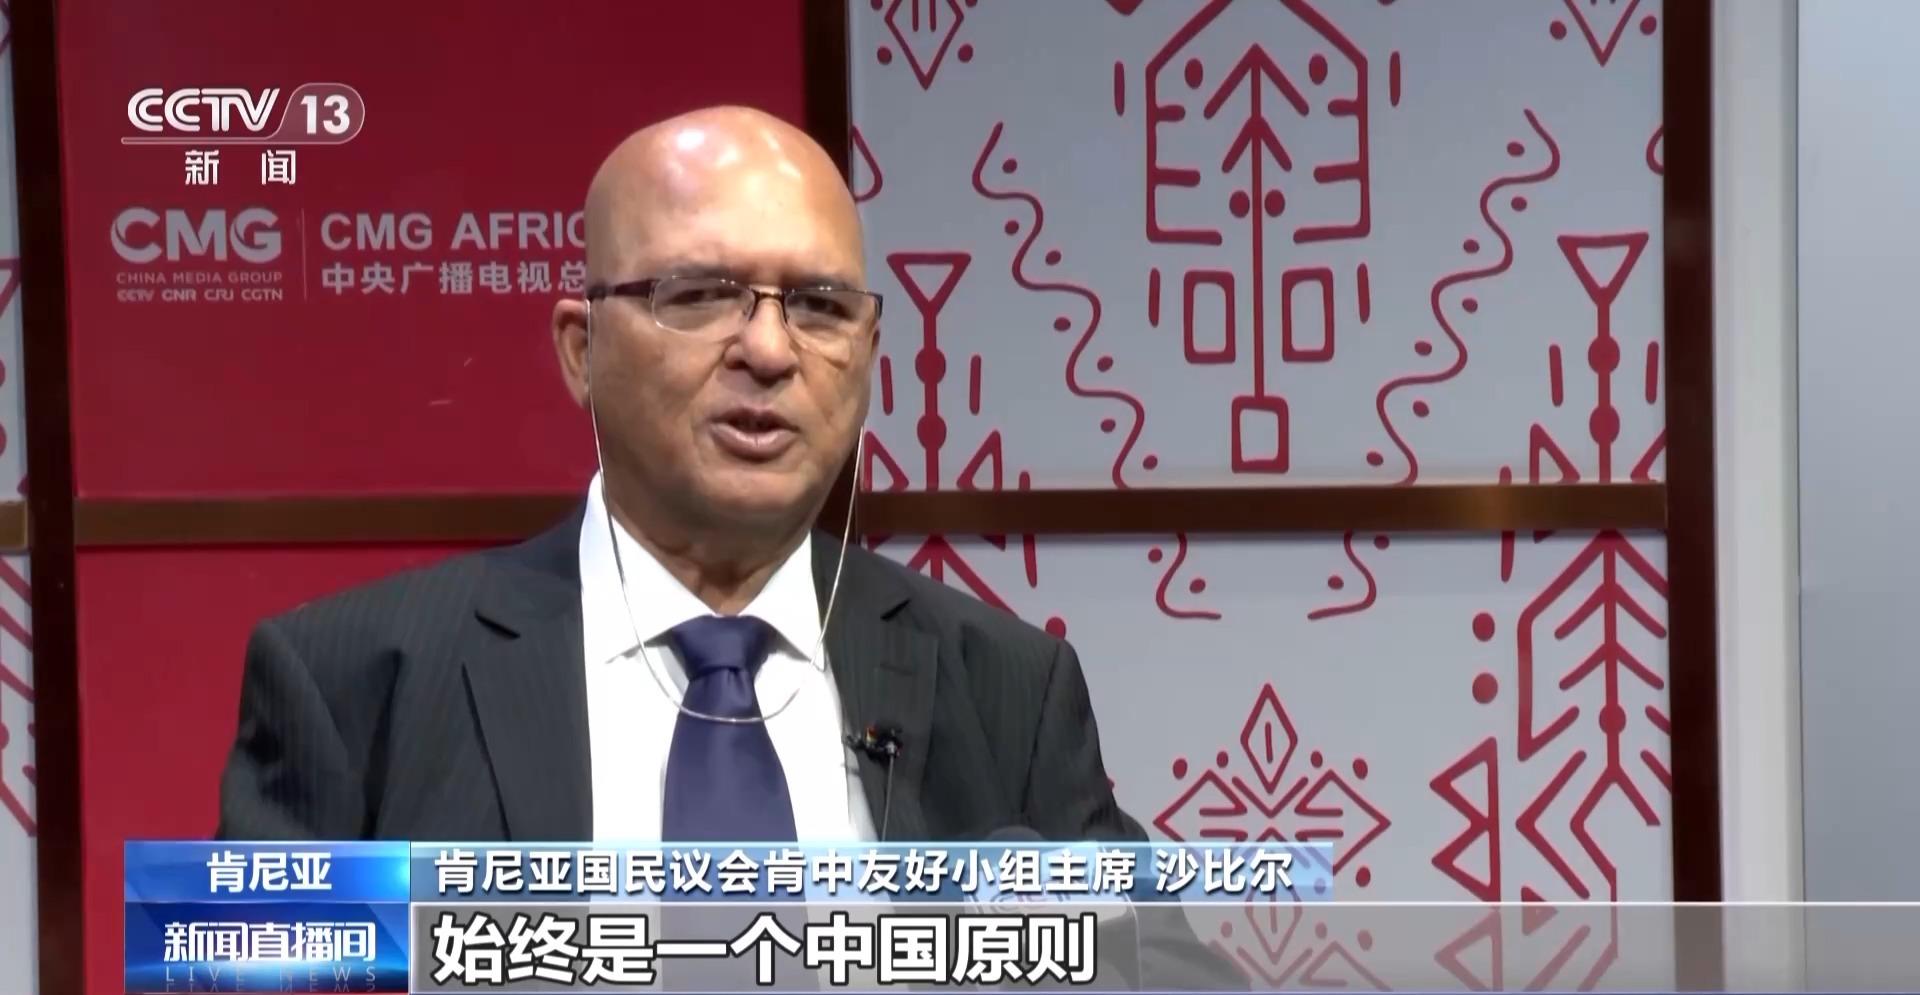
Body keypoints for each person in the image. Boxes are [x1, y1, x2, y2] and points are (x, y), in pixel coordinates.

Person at [216, 105, 1244, 989]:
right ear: (582, 349)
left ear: (869, 356)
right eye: (701, 294)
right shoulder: (358, 681)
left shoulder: (1007, 687)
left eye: (821, 306)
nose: (768, 348)